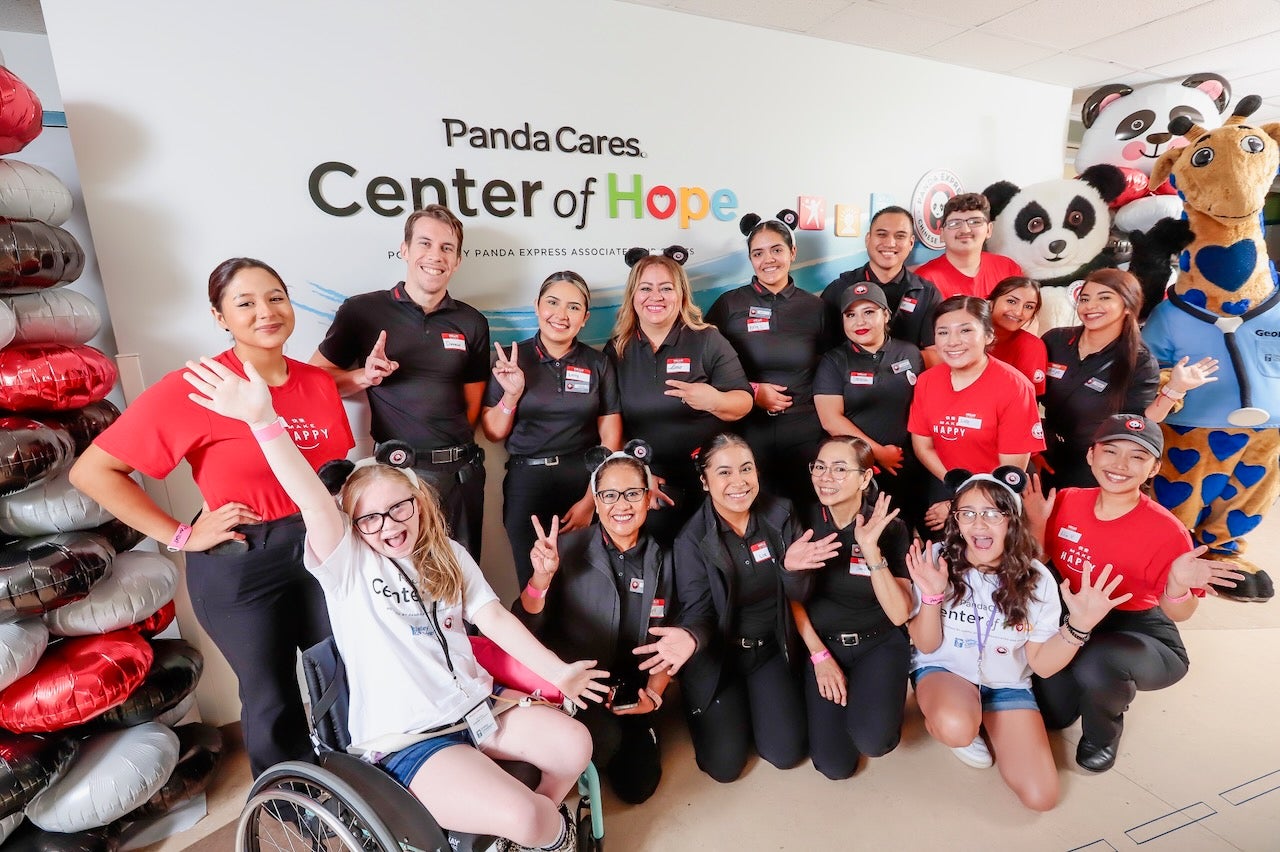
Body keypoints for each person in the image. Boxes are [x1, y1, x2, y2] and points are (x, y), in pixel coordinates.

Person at [180, 355, 607, 852]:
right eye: (371, 519)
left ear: (419, 501)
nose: (390, 526)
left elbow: (491, 618)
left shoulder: (447, 554)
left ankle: (524, 830)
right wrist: (263, 421)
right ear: (355, 527)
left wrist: (558, 673)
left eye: (399, 508)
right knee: (530, 818)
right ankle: (547, 834)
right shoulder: (347, 565)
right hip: (411, 739)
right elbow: (313, 500)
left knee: (576, 745)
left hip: (476, 709)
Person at [68, 258, 355, 778]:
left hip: (322, 546)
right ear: (219, 316)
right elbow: (94, 471)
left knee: (342, 671)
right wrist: (180, 534)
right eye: (244, 303)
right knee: (270, 694)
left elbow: (332, 474)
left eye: (275, 297)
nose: (266, 312)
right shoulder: (199, 386)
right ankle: (293, 807)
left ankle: (356, 778)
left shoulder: (318, 383)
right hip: (244, 562)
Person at [905, 468, 1131, 811]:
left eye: (992, 513)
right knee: (956, 726)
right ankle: (963, 725)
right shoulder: (937, 560)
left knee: (1041, 798)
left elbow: (1040, 664)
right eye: (967, 513)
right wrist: (934, 597)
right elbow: (925, 644)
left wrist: (1079, 626)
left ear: (1012, 521)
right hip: (946, 670)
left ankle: (982, 716)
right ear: (956, 520)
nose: (978, 524)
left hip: (1007, 685)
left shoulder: (1037, 579)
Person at [1026, 415, 1242, 772]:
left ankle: (1102, 733)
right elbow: (1041, 561)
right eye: (1110, 451)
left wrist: (1176, 585)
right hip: (1075, 616)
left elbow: (1180, 613)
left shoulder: (1167, 530)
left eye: (1137, 457)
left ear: (1154, 467)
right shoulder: (1066, 500)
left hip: (1136, 629)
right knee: (1053, 716)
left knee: (1099, 662)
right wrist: (1037, 525)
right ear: (1091, 455)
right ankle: (1090, 686)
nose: (1120, 465)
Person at [311, 205, 490, 558]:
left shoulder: (472, 322)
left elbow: (472, 408)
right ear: (405, 249)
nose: (435, 256)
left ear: (456, 261)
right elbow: (314, 383)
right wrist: (364, 376)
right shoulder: (363, 311)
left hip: (462, 476)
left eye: (446, 248)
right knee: (404, 584)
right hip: (398, 476)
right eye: (424, 243)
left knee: (464, 581)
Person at [513, 444, 678, 804]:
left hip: (632, 687)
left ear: (649, 498)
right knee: (598, 747)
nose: (622, 505)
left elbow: (673, 634)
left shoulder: (665, 559)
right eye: (609, 495)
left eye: (633, 493)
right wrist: (540, 579)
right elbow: (522, 626)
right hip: (575, 684)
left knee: (637, 787)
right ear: (597, 501)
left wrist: (653, 695)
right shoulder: (567, 550)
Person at [671, 433, 806, 782]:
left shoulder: (781, 514)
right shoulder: (690, 540)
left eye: (746, 469)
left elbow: (802, 593)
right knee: (725, 767)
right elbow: (698, 610)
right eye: (724, 472)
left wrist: (792, 572)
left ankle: (760, 705)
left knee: (786, 753)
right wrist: (689, 638)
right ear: (705, 481)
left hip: (770, 649)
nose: (738, 482)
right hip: (720, 657)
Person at [782, 436, 913, 780]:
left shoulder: (889, 526)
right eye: (820, 467)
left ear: (866, 478)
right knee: (835, 766)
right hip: (823, 645)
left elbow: (900, 614)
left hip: (878, 642)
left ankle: (873, 695)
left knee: (874, 741)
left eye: (840, 469)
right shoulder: (800, 521)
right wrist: (819, 656)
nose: (826, 477)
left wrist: (871, 551)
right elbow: (791, 597)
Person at [480, 271, 622, 587]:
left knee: (585, 584)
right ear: (537, 306)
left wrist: (592, 500)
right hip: (526, 484)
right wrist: (511, 395)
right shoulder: (512, 359)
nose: (561, 314)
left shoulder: (597, 363)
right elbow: (492, 431)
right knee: (533, 583)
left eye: (573, 307)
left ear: (585, 318)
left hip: (581, 482)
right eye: (553, 303)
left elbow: (610, 437)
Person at [605, 251, 753, 545]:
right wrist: (638, 474)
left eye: (666, 288)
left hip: (709, 479)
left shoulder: (707, 339)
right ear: (633, 296)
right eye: (645, 288)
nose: (655, 296)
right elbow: (611, 426)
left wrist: (712, 399)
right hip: (651, 479)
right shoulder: (618, 350)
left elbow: (744, 402)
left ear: (681, 294)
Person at [1040, 268, 1218, 488]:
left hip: (1094, 464)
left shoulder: (1139, 361)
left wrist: (1176, 388)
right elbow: (1025, 395)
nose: (1090, 306)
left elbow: (1142, 421)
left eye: (1104, 298)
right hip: (1043, 451)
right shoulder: (1055, 340)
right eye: (1084, 299)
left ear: (1127, 306)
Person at [707, 213, 827, 507]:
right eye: (758, 253)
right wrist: (753, 392)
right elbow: (706, 367)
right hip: (748, 430)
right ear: (750, 259)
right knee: (757, 512)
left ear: (792, 252)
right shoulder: (729, 304)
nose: (768, 260)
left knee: (806, 511)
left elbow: (832, 366)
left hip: (804, 431)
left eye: (777, 250)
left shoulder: (816, 307)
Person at [908, 296, 1044, 532]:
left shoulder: (1014, 387)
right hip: (947, 482)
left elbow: (1009, 472)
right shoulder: (927, 381)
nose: (953, 342)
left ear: (989, 335)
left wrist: (958, 506)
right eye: (943, 333)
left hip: (997, 493)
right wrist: (955, 487)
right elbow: (923, 447)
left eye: (965, 331)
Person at [812, 281, 925, 530]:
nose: (859, 322)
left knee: (904, 533)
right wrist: (878, 453)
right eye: (850, 315)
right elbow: (831, 420)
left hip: (908, 466)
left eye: (869, 312)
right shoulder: (834, 361)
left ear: (886, 314)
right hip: (855, 469)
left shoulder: (910, 353)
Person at [821, 205, 942, 362]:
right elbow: (820, 351)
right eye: (882, 234)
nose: (890, 243)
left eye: (900, 236)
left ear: (911, 243)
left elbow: (936, 354)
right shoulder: (839, 289)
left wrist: (892, 368)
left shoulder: (926, 293)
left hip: (908, 382)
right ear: (868, 239)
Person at [916, 194, 1023, 299]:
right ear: (942, 234)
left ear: (989, 229)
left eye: (975, 222)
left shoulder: (1008, 270)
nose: (965, 230)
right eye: (954, 223)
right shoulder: (924, 280)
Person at [987, 276, 1048, 394]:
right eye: (1011, 301)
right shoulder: (966, 336)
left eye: (1028, 307)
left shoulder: (1032, 346)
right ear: (991, 302)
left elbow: (1027, 400)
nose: (1018, 312)